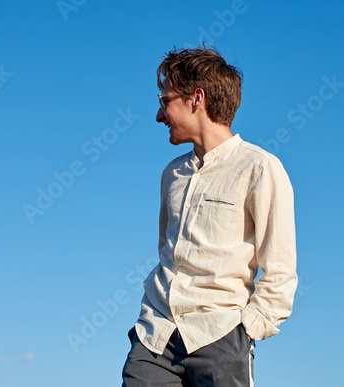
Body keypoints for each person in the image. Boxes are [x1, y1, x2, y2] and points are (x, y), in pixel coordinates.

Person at [122, 46, 298, 386]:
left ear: (196, 98)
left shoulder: (259, 167)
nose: (159, 116)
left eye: (164, 101)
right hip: (155, 337)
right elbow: (166, 252)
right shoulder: (172, 174)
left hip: (220, 335)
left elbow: (280, 267)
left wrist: (247, 330)